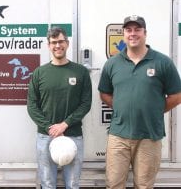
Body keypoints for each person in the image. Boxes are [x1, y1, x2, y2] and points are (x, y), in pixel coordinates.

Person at [98, 15, 181, 189]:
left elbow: (176, 95)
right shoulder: (112, 63)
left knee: (144, 185)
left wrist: (155, 109)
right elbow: (104, 93)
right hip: (118, 135)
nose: (133, 33)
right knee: (113, 184)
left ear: (145, 33)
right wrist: (121, 107)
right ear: (123, 34)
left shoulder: (163, 62)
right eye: (129, 30)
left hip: (149, 135)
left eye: (137, 29)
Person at [27, 27, 92, 189]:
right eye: (53, 42)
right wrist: (50, 128)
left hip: (73, 135)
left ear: (67, 43)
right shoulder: (39, 73)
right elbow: (32, 106)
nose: (57, 45)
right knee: (47, 184)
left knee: (72, 184)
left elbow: (86, 103)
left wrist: (64, 125)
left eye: (61, 41)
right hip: (46, 136)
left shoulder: (81, 72)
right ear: (48, 45)